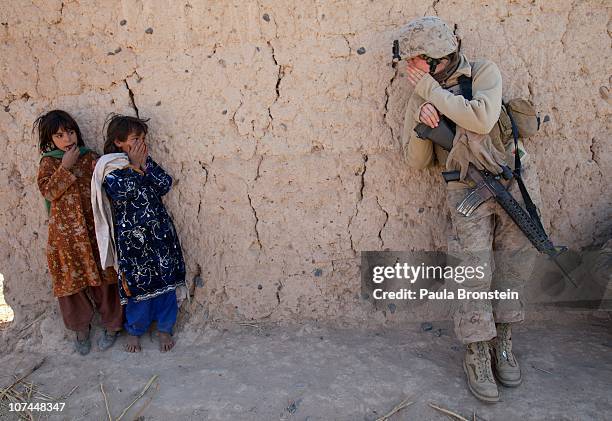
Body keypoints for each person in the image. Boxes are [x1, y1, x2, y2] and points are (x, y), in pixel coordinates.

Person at [399, 16, 540, 402]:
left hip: (510, 180)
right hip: (464, 190)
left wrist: (432, 93)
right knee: (473, 270)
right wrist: (420, 122)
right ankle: (477, 351)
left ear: (436, 58)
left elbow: (482, 117)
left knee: (513, 266)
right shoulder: (421, 95)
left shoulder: (483, 72)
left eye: (415, 59)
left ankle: (503, 343)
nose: (409, 68)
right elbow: (416, 162)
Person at [35, 110, 123, 355]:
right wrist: (65, 168)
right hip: (66, 237)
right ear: (50, 140)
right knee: (71, 282)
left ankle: (113, 325)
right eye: (60, 135)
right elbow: (49, 193)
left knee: (105, 274)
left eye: (70, 132)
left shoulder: (90, 157)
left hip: (94, 229)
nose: (67, 139)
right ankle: (80, 328)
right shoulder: (49, 163)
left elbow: (108, 181)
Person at [95, 114, 185, 353]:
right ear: (118, 142)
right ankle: (135, 330)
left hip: (158, 236)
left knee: (165, 282)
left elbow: (164, 184)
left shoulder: (145, 161)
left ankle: (165, 327)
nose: (141, 143)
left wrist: (143, 165)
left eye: (143, 138)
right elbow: (122, 193)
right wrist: (134, 167)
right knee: (137, 286)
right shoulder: (110, 167)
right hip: (133, 243)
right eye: (136, 138)